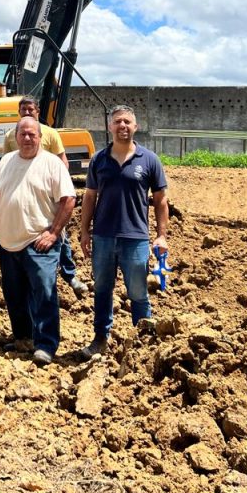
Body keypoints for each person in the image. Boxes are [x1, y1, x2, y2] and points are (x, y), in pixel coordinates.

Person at [78, 105, 169, 359]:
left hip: (136, 238)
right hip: (103, 237)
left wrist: (161, 235)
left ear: (135, 127)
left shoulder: (149, 160)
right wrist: (85, 231)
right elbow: (89, 198)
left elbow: (161, 201)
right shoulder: (99, 160)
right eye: (118, 121)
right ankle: (100, 340)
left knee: (138, 293)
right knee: (103, 290)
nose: (123, 126)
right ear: (110, 126)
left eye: (127, 122)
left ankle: (143, 345)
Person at [0, 116, 76, 365]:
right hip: (7, 241)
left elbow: (68, 199)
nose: (27, 138)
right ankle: (23, 338)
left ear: (40, 137)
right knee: (14, 293)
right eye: (23, 134)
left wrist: (53, 232)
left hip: (39, 241)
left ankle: (46, 343)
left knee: (44, 290)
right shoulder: (6, 161)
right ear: (15, 137)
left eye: (32, 134)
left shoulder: (52, 164)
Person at [3, 96, 88, 299]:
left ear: (38, 111)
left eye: (30, 109)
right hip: (21, 197)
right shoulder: (9, 136)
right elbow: (6, 165)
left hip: (47, 199)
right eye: (23, 110)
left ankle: (69, 274)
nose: (27, 113)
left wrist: (57, 187)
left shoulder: (50, 134)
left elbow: (62, 162)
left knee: (59, 236)